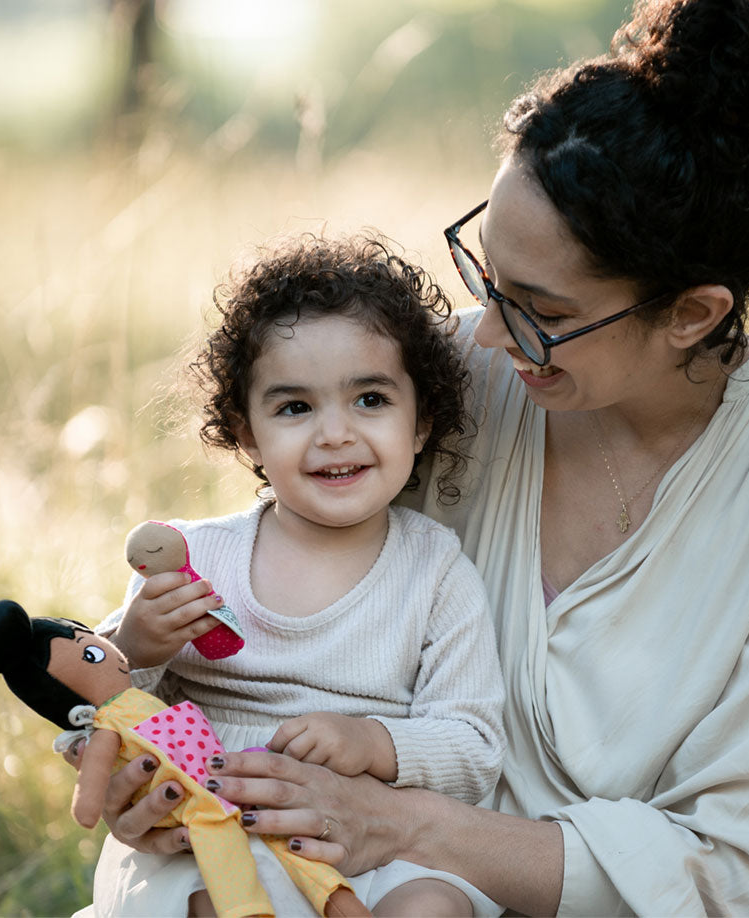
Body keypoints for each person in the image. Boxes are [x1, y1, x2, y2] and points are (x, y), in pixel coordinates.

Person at [90, 0, 749, 917]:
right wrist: (150, 772)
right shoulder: (437, 383)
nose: (480, 334)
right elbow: (253, 609)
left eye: (540, 310)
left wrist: (399, 825)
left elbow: (731, 878)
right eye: (487, 275)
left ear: (692, 314)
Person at [80, 236, 507, 917]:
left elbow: (474, 744)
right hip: (208, 836)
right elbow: (90, 712)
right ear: (246, 434)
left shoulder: (434, 568)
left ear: (421, 420)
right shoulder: (195, 559)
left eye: (370, 399)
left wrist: (372, 739)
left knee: (433, 905)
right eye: (295, 408)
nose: (335, 433)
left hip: (365, 843)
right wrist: (138, 648)